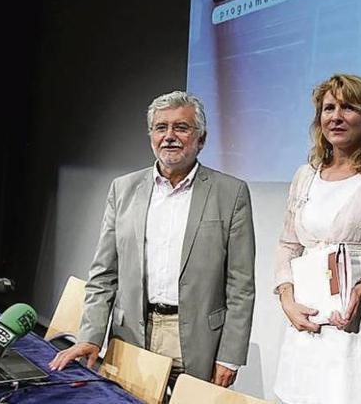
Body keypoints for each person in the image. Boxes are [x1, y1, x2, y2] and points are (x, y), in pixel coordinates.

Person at [49, 91, 255, 390]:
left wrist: (230, 356)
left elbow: (241, 285)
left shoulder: (231, 193)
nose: (169, 136)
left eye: (181, 127)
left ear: (202, 139)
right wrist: (90, 336)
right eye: (161, 127)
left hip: (198, 341)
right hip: (131, 334)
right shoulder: (123, 189)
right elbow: (103, 275)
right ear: (151, 137)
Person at [273, 74, 361, 404]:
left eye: (348, 107)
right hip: (310, 322)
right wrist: (287, 298)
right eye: (328, 108)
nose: (336, 116)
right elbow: (289, 245)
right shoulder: (306, 175)